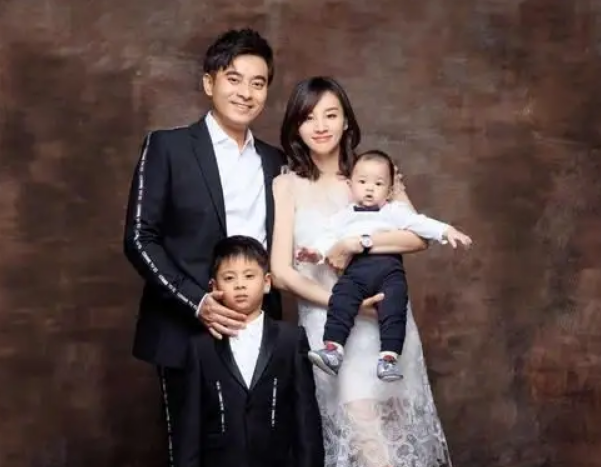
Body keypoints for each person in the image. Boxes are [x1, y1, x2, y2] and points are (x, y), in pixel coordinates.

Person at [270, 76, 453, 467]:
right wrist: (346, 303)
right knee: (367, 443)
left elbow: (417, 238)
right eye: (308, 117)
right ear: (296, 126)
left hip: (386, 327)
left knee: (397, 441)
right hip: (330, 327)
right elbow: (282, 273)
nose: (320, 126)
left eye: (330, 115)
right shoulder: (286, 185)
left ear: (347, 121)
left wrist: (357, 243)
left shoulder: (375, 174)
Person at [122, 28, 284, 467]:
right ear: (209, 83)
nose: (246, 93)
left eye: (258, 82)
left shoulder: (276, 162)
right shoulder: (168, 146)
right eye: (234, 79)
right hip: (186, 329)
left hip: (261, 332)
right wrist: (198, 303)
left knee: (259, 453)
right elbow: (139, 237)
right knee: (192, 455)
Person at [302, 149, 472, 382]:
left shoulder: (394, 212)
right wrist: (315, 253)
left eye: (378, 183)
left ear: (390, 190)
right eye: (362, 182)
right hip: (356, 272)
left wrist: (446, 230)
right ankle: (333, 350)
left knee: (394, 307)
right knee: (341, 299)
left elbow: (419, 223)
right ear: (350, 185)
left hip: (389, 272)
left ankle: (389, 358)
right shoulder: (343, 217)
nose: (369, 188)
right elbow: (329, 239)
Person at [175, 235, 324, 467]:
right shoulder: (200, 347)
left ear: (266, 282)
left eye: (249, 276)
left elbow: (306, 417)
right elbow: (190, 425)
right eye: (229, 277)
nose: (240, 285)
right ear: (214, 287)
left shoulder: (290, 340)